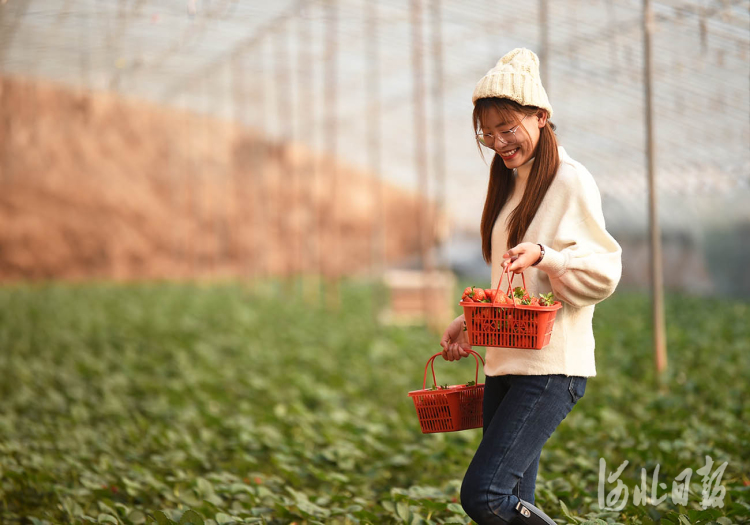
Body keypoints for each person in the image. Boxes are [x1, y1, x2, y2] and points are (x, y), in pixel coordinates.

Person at [439, 48, 622, 525]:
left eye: (507, 128)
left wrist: (549, 254)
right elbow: (513, 284)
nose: (497, 142)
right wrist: (471, 322)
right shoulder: (510, 182)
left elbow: (604, 271)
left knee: (486, 496)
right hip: (506, 364)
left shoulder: (570, 180)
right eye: (487, 132)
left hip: (548, 369)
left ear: (541, 117)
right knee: (514, 502)